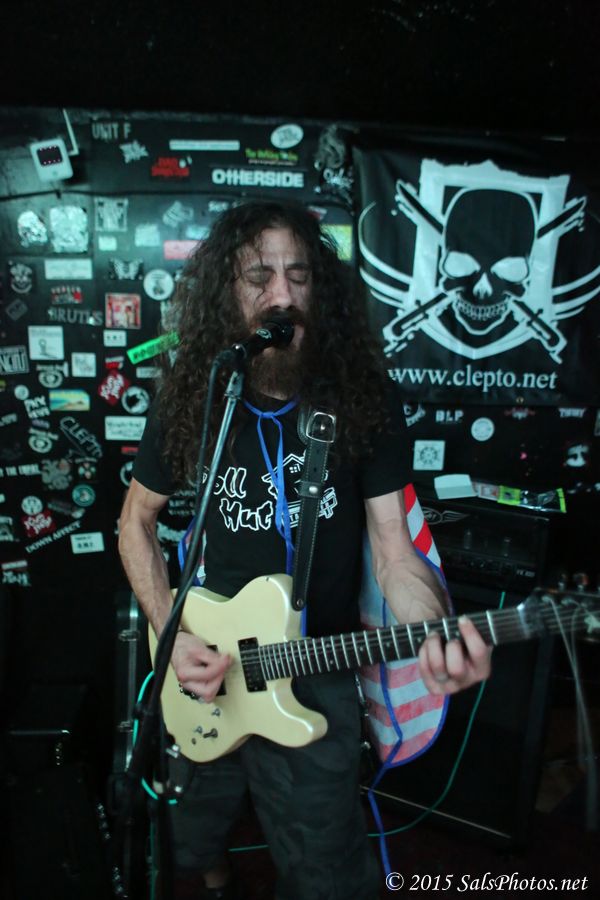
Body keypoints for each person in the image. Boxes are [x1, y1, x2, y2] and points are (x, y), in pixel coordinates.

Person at [118, 201, 492, 900]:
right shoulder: (196, 394)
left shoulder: (361, 398)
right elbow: (134, 523)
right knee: (189, 832)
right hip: (206, 660)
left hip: (314, 667)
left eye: (299, 275)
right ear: (226, 292)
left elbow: (395, 552)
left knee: (326, 868)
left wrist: (433, 629)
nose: (282, 295)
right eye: (259, 277)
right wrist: (171, 633)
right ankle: (215, 873)